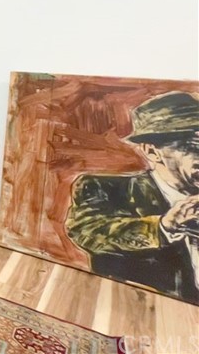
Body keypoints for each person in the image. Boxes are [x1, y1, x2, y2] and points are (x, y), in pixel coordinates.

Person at [65, 91, 199, 303]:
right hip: (135, 306)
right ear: (152, 152)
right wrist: (164, 227)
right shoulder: (104, 188)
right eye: (191, 146)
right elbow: (86, 231)